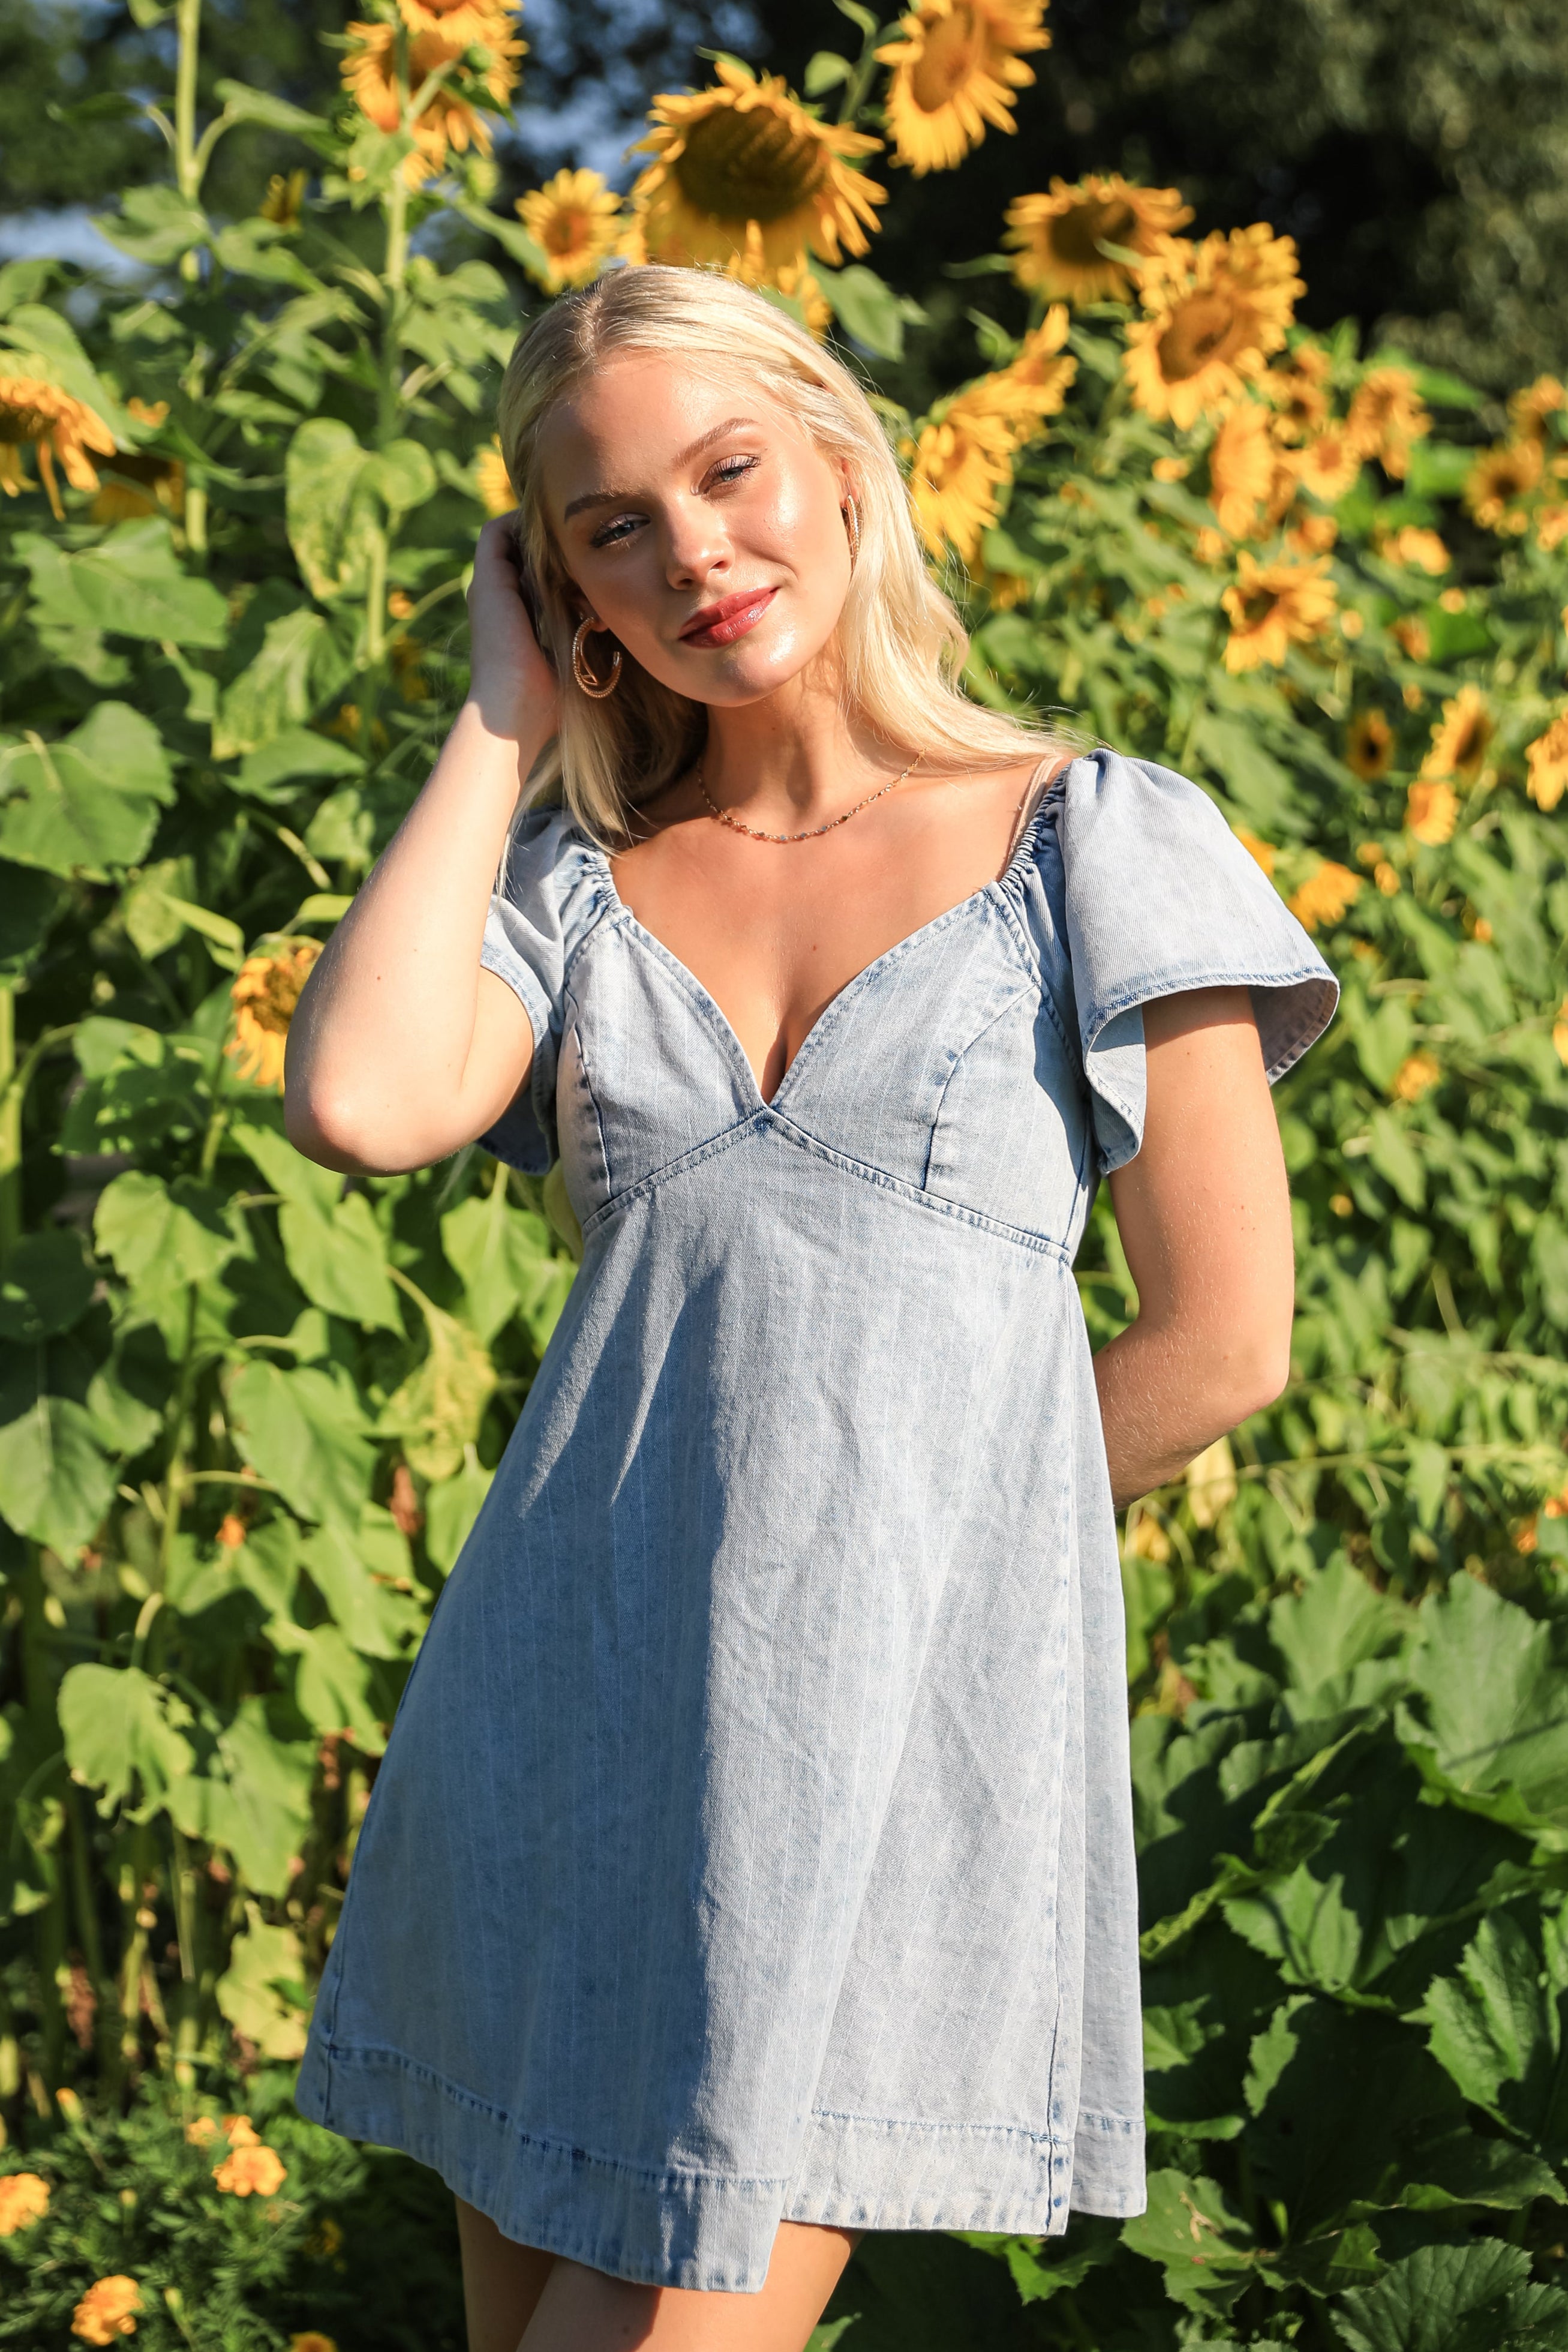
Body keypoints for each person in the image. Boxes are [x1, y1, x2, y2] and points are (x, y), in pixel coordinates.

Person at [286, 263, 1337, 2352]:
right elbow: (361, 1099)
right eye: (611, 524)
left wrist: (903, 1579)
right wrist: (505, 720)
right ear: (560, 577)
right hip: (562, 1728)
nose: (693, 549)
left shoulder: (1090, 838)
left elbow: (1224, 1339)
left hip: (870, 1748)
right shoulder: (576, 885)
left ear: (844, 462)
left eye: (729, 470)